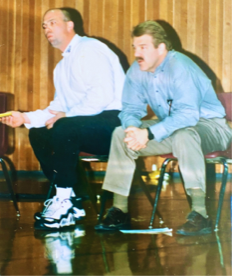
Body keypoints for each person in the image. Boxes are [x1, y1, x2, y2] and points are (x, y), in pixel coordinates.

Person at [94, 20, 232, 236]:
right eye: (135, 47)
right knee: (120, 134)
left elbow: (187, 115)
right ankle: (119, 209)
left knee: (185, 136)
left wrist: (147, 133)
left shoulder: (181, 67)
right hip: (173, 128)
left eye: (143, 47)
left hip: (210, 126)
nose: (137, 53)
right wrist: (132, 129)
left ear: (161, 49)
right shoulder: (137, 70)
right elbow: (130, 107)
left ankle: (200, 213)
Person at [0, 7, 125, 230]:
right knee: (38, 132)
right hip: (82, 124)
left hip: (114, 123)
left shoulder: (90, 48)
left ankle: (64, 200)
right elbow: (57, 109)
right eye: (44, 25)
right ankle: (72, 200)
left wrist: (66, 116)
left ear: (70, 26)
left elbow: (102, 96)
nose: (46, 28)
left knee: (64, 127)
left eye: (52, 22)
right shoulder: (61, 67)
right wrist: (24, 118)